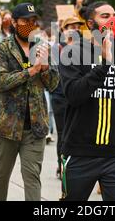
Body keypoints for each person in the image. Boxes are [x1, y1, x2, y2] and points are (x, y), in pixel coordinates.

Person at [59, 1, 115, 201]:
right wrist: (104, 65)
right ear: (90, 24)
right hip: (81, 152)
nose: (112, 20)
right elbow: (73, 94)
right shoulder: (72, 52)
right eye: (105, 16)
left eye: (114, 15)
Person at [0, 3, 59, 201]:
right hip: (8, 126)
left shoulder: (41, 46)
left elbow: (54, 84)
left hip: (35, 127)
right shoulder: (2, 48)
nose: (30, 25)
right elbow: (1, 81)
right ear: (14, 22)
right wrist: (31, 71)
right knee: (2, 175)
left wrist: (45, 68)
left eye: (33, 21)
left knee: (32, 177)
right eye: (25, 21)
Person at [49, 17, 84, 179]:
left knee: (79, 132)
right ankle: (61, 166)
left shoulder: (85, 48)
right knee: (63, 134)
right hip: (60, 96)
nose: (75, 29)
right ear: (63, 30)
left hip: (79, 96)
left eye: (77, 27)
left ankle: (77, 166)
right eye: (70, 27)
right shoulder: (57, 47)